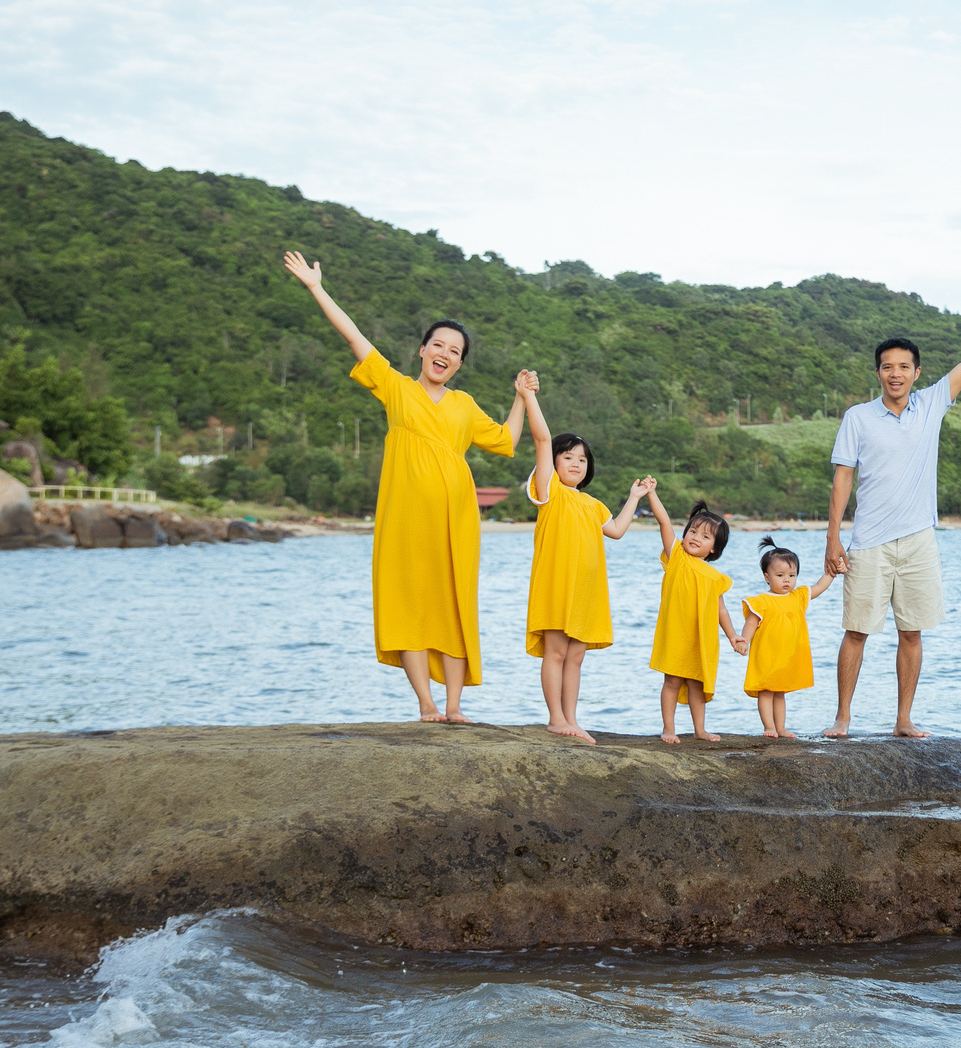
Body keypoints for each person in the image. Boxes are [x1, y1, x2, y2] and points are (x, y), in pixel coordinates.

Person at [283, 250, 530, 723]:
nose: (445, 354)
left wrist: (521, 398)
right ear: (423, 350)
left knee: (455, 603)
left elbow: (505, 439)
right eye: (439, 345)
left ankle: (455, 706)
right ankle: (427, 704)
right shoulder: (396, 388)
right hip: (405, 518)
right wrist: (316, 288)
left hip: (456, 519)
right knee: (410, 602)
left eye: (455, 351)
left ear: (459, 364)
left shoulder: (464, 405)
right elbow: (354, 337)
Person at [823, 277, 961, 738]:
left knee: (911, 632)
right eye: (887, 367)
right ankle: (842, 718)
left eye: (904, 367)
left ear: (916, 372)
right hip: (868, 541)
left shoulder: (932, 404)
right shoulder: (858, 417)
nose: (895, 373)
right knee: (856, 631)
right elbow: (842, 479)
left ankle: (903, 719)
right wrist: (832, 538)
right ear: (878, 373)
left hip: (917, 540)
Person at [514, 375, 655, 744]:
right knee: (556, 651)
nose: (575, 463)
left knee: (576, 656)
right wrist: (528, 397)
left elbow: (618, 530)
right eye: (568, 457)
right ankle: (555, 717)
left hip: (587, 590)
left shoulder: (591, 503)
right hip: (557, 584)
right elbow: (543, 440)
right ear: (555, 462)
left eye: (582, 459)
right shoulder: (549, 491)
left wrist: (635, 496)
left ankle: (572, 719)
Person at [645, 487, 746, 743]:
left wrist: (733, 635)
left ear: (714, 548)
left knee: (696, 685)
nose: (696, 537)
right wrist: (651, 494)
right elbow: (664, 521)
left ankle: (699, 730)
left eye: (705, 536)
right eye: (692, 531)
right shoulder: (676, 556)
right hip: (676, 633)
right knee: (672, 680)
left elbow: (720, 609)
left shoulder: (715, 577)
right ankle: (669, 728)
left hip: (702, 637)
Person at [740, 537, 836, 737]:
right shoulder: (761, 601)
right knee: (766, 692)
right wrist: (744, 641)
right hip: (766, 655)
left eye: (792, 575)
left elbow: (819, 586)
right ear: (767, 577)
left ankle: (780, 727)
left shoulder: (798, 597)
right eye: (780, 575)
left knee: (780, 692)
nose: (787, 580)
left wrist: (832, 573)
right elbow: (751, 623)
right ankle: (769, 726)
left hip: (786, 658)